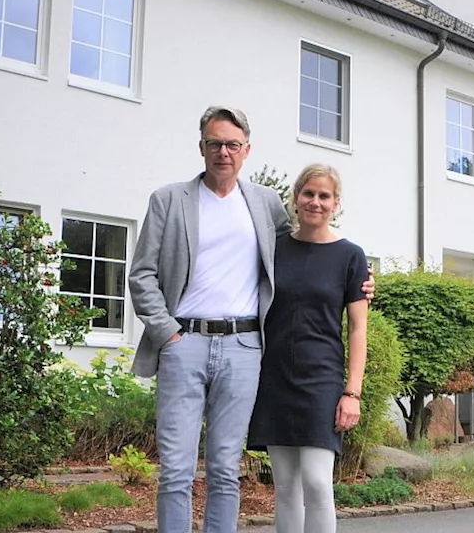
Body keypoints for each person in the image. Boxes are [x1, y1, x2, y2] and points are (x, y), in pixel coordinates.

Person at [127, 107, 371, 533]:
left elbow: (304, 256)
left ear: (246, 150)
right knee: (177, 470)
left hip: (244, 348)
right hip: (185, 342)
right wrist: (168, 333)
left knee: (225, 470)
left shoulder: (264, 203)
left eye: (233, 144)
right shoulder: (169, 200)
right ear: (201, 147)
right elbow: (141, 273)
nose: (224, 152)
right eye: (215, 143)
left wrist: (361, 282)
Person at [247, 163, 369, 533]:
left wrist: (353, 392)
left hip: (322, 381)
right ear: (296, 198)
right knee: (285, 488)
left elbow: (358, 329)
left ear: (336, 203)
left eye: (324, 196)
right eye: (309, 193)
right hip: (275, 379)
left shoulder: (351, 256)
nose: (315, 202)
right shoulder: (272, 249)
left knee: (317, 483)